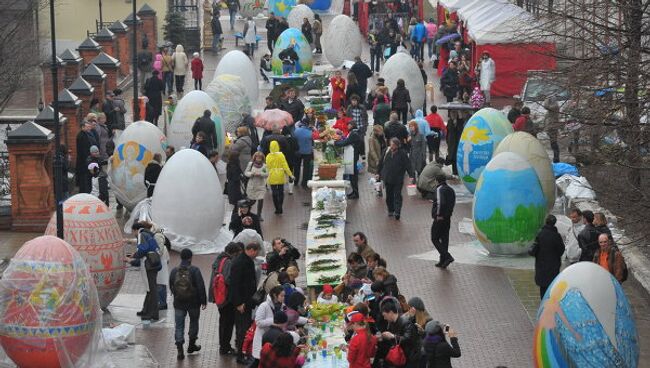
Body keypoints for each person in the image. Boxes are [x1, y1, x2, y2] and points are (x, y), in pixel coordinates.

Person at [169, 249, 207, 360]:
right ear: (190, 257)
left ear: (181, 257)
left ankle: (180, 350)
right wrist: (203, 301)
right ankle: (191, 345)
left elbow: (171, 285)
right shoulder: (195, 270)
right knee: (194, 322)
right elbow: (200, 286)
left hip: (179, 303)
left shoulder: (174, 271)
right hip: (193, 303)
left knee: (179, 325)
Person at [228, 242, 261, 365]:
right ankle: (241, 354)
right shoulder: (240, 262)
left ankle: (243, 351)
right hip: (242, 304)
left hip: (246, 302)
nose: (257, 255)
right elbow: (234, 285)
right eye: (256, 252)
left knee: (244, 328)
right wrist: (238, 303)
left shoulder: (245, 261)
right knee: (242, 329)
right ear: (251, 250)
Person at [208, 242, 241, 356]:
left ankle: (223, 345)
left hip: (218, 296)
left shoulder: (219, 260)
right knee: (228, 322)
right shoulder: (228, 262)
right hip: (226, 298)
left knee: (223, 321)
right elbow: (228, 280)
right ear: (234, 252)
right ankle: (225, 347)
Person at [125, 222, 161, 321]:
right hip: (153, 264)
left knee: (151, 290)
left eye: (133, 232)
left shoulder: (141, 234)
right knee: (150, 289)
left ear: (135, 230)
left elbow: (143, 249)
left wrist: (134, 256)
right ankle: (146, 310)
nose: (133, 234)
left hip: (149, 265)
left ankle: (152, 314)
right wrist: (134, 257)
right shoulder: (147, 234)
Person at [377, 138, 415, 220]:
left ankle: (397, 212)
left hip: (398, 178)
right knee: (389, 195)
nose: (392, 146)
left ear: (397, 145)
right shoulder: (386, 151)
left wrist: (411, 175)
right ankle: (390, 210)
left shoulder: (402, 154)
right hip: (387, 177)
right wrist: (378, 173)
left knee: (397, 195)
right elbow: (380, 162)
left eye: (393, 145)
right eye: (391, 144)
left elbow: (408, 165)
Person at [529, 215, 566, 299]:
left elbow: (535, 249)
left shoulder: (540, 234)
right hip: (553, 265)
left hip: (541, 264)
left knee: (543, 286)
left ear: (546, 222)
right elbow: (561, 249)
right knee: (552, 285)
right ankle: (550, 302)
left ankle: (543, 302)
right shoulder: (556, 236)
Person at [251, 286, 287, 367]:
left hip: (272, 339)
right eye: (282, 296)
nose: (283, 298)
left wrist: (306, 320)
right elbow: (258, 322)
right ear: (275, 295)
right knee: (257, 361)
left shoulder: (282, 306)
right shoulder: (264, 306)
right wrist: (273, 322)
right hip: (262, 338)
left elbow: (287, 315)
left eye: (284, 296)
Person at [379, 300, 421, 367]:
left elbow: (407, 338)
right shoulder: (392, 323)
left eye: (385, 315)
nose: (384, 318)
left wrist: (393, 336)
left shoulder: (405, 322)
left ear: (390, 312)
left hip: (410, 357)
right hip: (402, 357)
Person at [431, 174, 456, 268]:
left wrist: (438, 215)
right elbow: (452, 203)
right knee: (444, 239)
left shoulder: (439, 189)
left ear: (437, 181)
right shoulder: (451, 190)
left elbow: (440, 203)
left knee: (434, 238)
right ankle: (443, 260)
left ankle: (447, 256)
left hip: (440, 218)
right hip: (447, 218)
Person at [334, 120, 363, 199]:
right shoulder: (354, 132)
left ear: (352, 125)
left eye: (349, 125)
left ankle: (355, 193)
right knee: (352, 175)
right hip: (352, 155)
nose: (347, 126)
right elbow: (347, 140)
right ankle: (354, 192)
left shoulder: (354, 134)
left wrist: (334, 143)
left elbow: (345, 142)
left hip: (352, 156)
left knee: (353, 175)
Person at [266, 140, 294, 214]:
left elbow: (267, 167)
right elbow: (285, 166)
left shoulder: (268, 156)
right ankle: (280, 206)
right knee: (281, 192)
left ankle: (276, 208)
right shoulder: (281, 155)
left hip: (272, 175)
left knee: (274, 192)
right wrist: (290, 175)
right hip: (280, 175)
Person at [76, 121, 98, 193]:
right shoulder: (81, 136)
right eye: (87, 126)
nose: (89, 128)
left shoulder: (86, 134)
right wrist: (88, 160)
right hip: (83, 162)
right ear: (83, 127)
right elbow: (83, 150)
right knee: (84, 180)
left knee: (87, 179)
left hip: (86, 161)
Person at [245, 152, 269, 218]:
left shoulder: (264, 166)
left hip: (261, 186)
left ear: (262, 158)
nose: (258, 159)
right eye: (257, 158)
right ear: (255, 158)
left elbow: (266, 174)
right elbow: (246, 173)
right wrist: (251, 174)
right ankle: (246, 211)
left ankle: (259, 215)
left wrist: (260, 174)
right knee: (252, 201)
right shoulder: (251, 164)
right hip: (252, 185)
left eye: (260, 158)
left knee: (261, 200)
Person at [292, 118, 314, 188]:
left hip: (298, 152)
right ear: (308, 124)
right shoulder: (310, 132)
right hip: (307, 152)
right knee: (306, 168)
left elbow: (294, 139)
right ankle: (304, 183)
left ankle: (295, 181)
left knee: (297, 167)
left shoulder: (296, 131)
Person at [543, 96, 561, 162]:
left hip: (553, 127)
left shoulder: (555, 106)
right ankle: (556, 158)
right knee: (553, 143)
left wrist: (546, 98)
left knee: (554, 143)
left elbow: (545, 106)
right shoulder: (554, 106)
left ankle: (556, 158)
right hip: (551, 126)